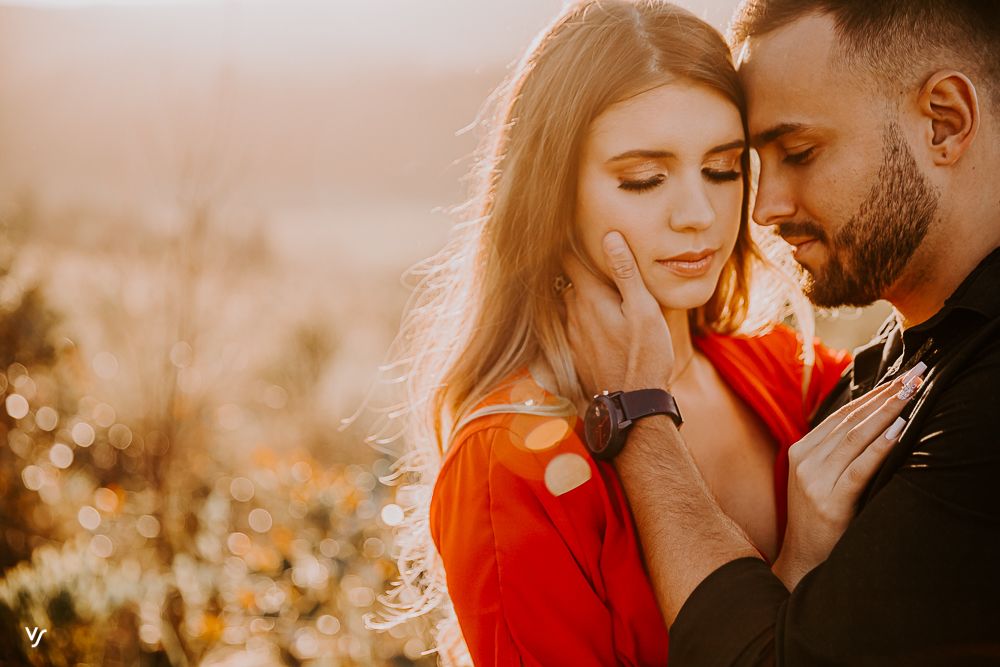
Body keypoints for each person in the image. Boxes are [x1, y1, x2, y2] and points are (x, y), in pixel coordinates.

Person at [365, 2, 917, 665]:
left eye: (723, 169)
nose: (697, 213)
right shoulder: (508, 466)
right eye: (643, 179)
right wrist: (801, 565)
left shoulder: (789, 373)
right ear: (552, 194)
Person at [563, 0, 1000, 664]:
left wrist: (639, 417)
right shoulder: (882, 366)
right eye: (752, 164)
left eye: (799, 152)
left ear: (944, 122)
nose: (763, 208)